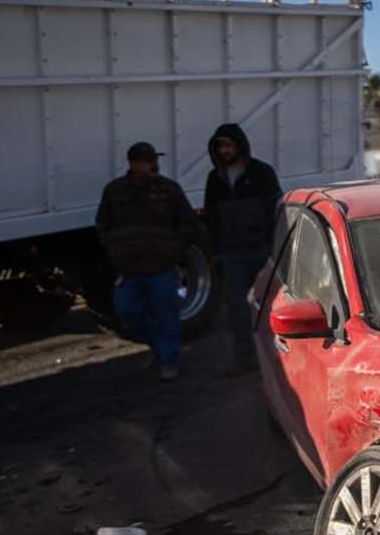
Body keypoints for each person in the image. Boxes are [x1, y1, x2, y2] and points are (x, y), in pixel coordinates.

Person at [95, 142, 198, 381]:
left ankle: (169, 361)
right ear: (133, 163)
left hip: (161, 266)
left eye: (154, 159)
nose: (154, 164)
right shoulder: (115, 191)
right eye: (147, 160)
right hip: (129, 268)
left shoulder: (168, 189)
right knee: (127, 311)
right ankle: (157, 345)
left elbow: (187, 221)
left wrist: (174, 251)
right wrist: (114, 249)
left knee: (167, 313)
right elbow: (102, 223)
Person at [204, 123, 282, 375]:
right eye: (221, 146)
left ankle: (277, 360)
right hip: (231, 254)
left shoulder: (262, 173)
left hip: (261, 251)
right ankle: (244, 358)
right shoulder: (215, 179)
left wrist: (275, 250)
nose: (225, 151)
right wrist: (214, 252)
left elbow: (276, 213)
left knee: (269, 308)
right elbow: (211, 219)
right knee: (237, 309)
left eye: (229, 145)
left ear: (240, 145)